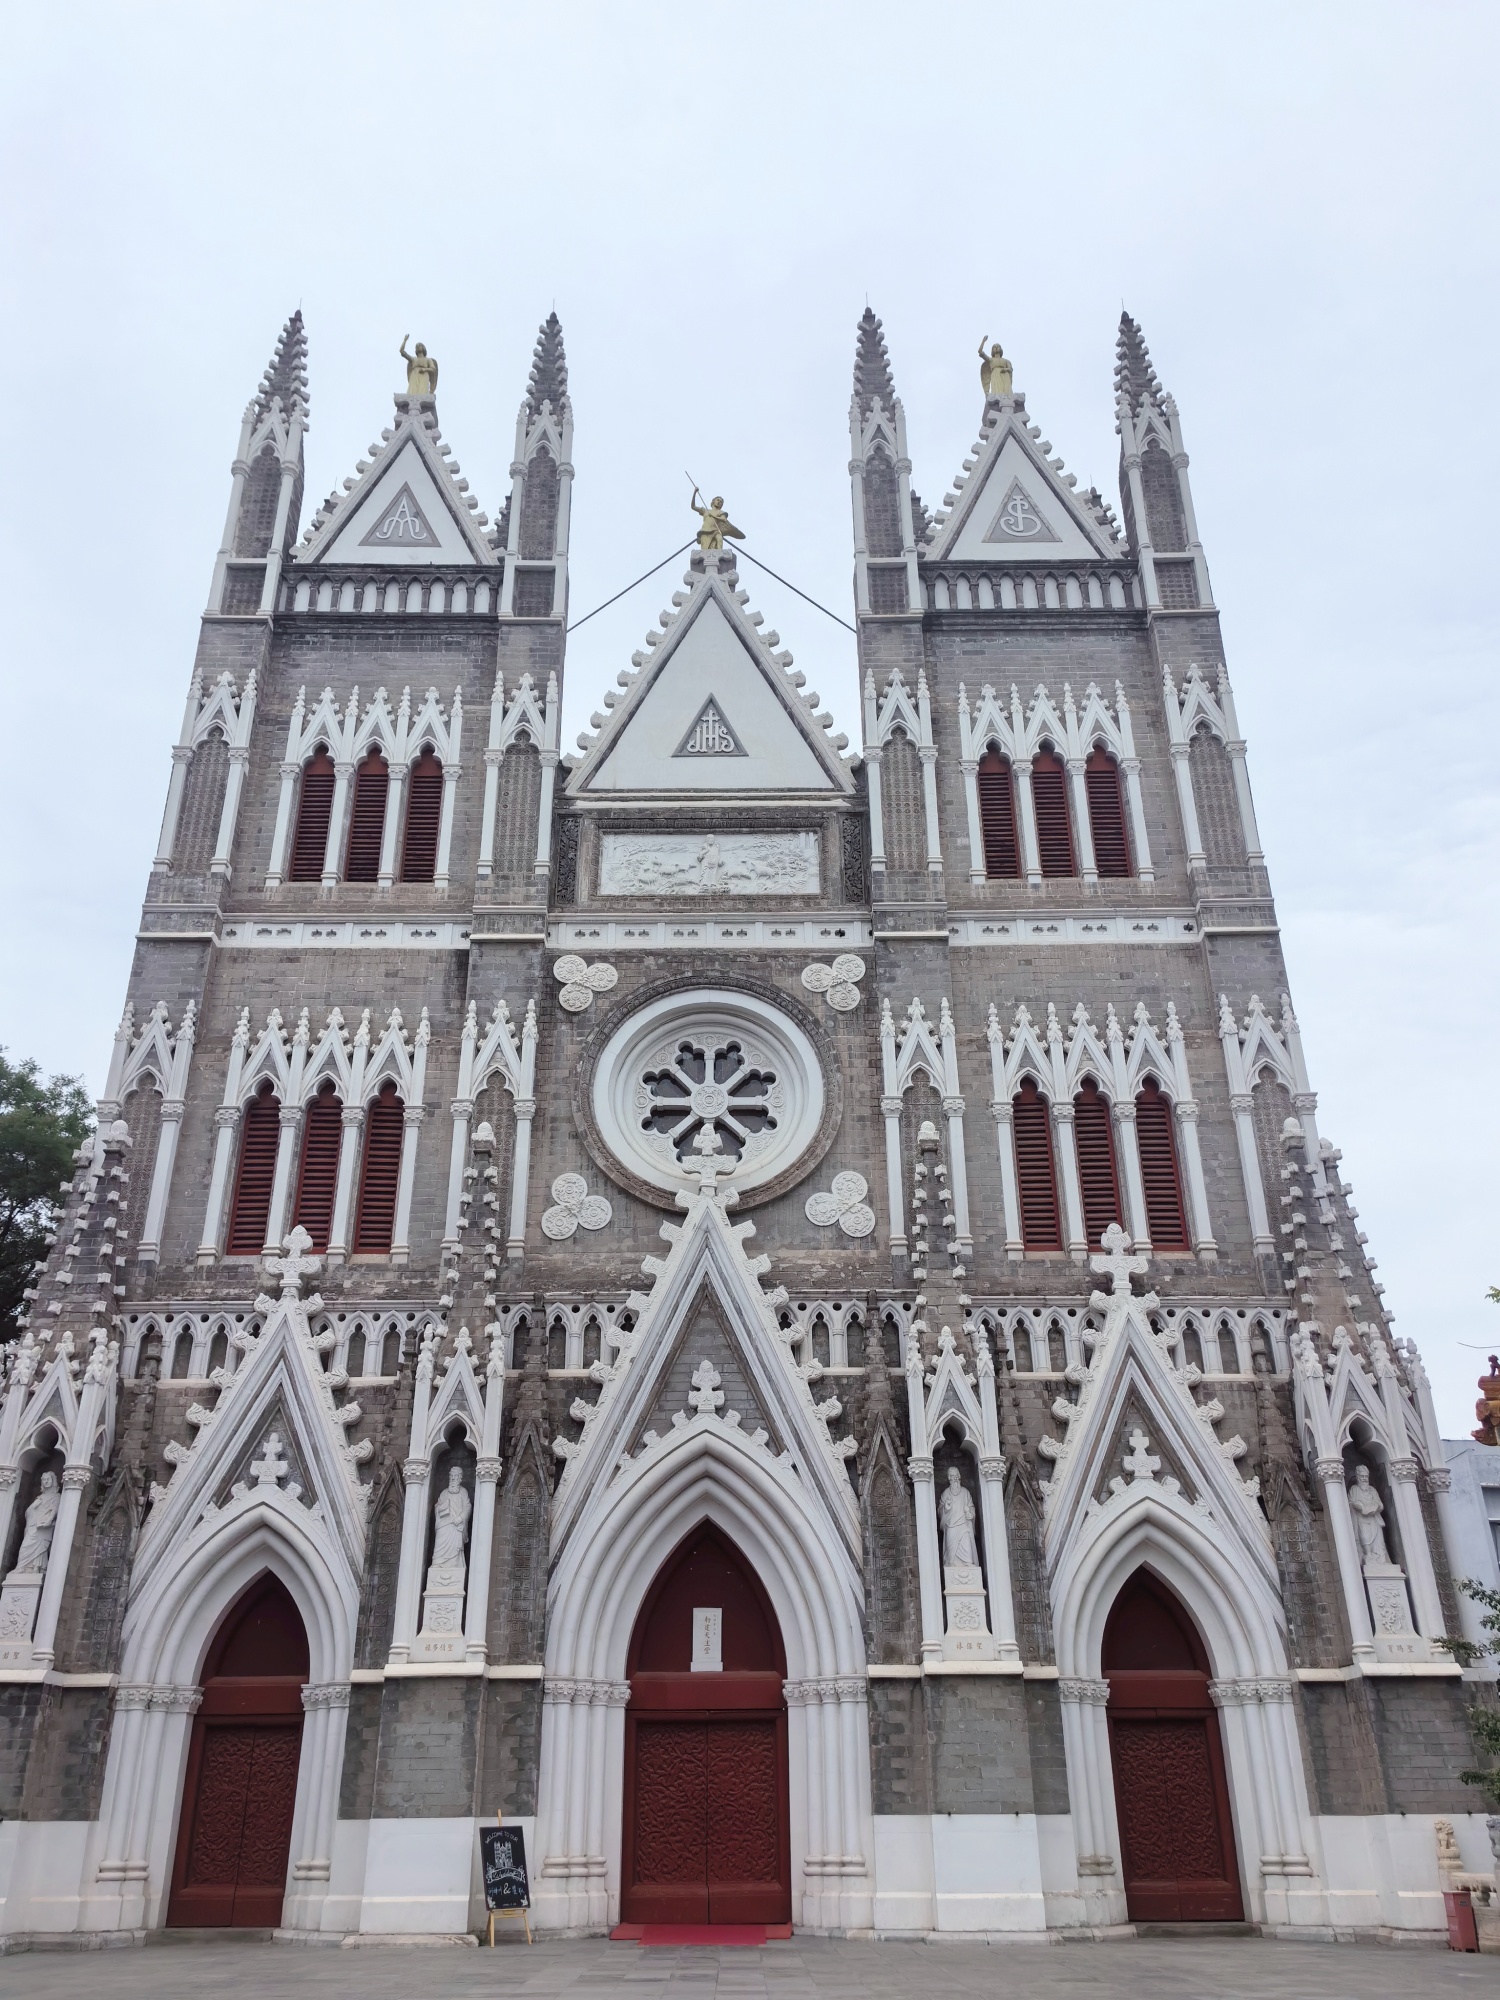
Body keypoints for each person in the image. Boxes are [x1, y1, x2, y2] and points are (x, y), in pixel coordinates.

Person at [11, 1471, 60, 1576]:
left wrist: (48, 1521)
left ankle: (34, 1569)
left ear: (53, 1481)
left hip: (43, 1528)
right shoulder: (40, 1497)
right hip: (33, 1526)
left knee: (39, 1550)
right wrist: (33, 1507)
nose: (46, 1482)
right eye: (44, 1480)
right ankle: (21, 1567)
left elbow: (54, 1511)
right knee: (25, 1547)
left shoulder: (56, 1496)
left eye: (48, 1479)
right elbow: (29, 1511)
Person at [430, 1466, 472, 1571]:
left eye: (455, 1476)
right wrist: (440, 1508)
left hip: (456, 1525)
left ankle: (454, 1565)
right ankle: (438, 1563)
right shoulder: (444, 1493)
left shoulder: (463, 1492)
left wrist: (460, 1518)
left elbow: (467, 1507)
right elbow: (437, 1506)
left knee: (455, 1549)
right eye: (451, 1476)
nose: (453, 1478)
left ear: (460, 1478)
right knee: (439, 1545)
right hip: (444, 1525)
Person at [1347, 1464, 1389, 1567]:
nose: (1364, 1479)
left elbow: (1380, 1504)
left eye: (1366, 1476)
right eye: (1362, 1476)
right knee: (1365, 1537)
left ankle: (1381, 1560)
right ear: (1358, 1477)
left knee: (1379, 1541)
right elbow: (1351, 1502)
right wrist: (1359, 1506)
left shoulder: (1372, 1490)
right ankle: (1368, 1556)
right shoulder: (1354, 1489)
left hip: (1374, 1518)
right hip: (1361, 1519)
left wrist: (1375, 1506)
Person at [938, 1465, 979, 1569]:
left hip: (963, 1526)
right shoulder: (946, 1493)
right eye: (952, 1476)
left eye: (956, 1475)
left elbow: (971, 1507)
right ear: (949, 1478)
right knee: (951, 1550)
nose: (955, 1478)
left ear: (959, 1476)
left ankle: (968, 1564)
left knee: (966, 1548)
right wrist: (946, 1507)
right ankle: (951, 1564)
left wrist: (971, 1514)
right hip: (951, 1525)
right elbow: (940, 1510)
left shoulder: (965, 1492)